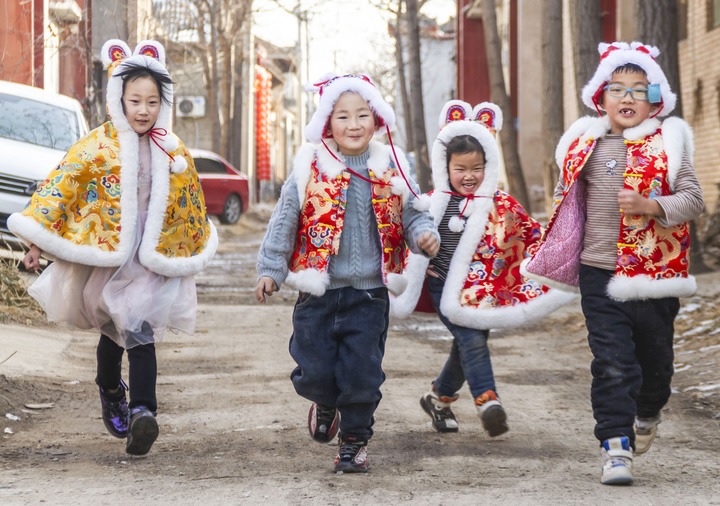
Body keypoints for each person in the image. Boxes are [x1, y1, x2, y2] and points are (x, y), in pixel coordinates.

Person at [8, 39, 218, 456]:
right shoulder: (97, 147)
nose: (143, 110)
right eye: (135, 100)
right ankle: (109, 387)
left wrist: (190, 251)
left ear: (164, 102)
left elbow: (190, 205)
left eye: (153, 101)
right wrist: (34, 240)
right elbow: (61, 188)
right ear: (118, 99)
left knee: (140, 332)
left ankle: (143, 412)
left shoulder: (173, 151)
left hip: (148, 262)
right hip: (107, 259)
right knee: (112, 334)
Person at [521, 42, 704, 485]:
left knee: (655, 367)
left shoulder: (669, 143)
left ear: (655, 100)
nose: (627, 97)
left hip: (653, 276)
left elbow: (694, 199)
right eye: (616, 88)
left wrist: (651, 203)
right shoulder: (585, 144)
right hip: (598, 271)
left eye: (639, 90)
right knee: (613, 361)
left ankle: (647, 412)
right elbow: (569, 203)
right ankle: (615, 445)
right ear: (599, 97)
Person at [255, 73, 440, 473]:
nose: (353, 125)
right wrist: (271, 269)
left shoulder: (390, 165)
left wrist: (424, 234)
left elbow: (412, 212)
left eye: (362, 115)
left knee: (362, 375)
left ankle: (354, 443)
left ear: (377, 120)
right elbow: (285, 218)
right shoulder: (311, 165)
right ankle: (324, 401)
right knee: (315, 370)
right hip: (317, 292)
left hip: (369, 294)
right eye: (342, 116)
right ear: (327, 122)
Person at [390, 100, 574, 438]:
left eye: (477, 167)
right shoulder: (432, 203)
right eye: (460, 168)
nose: (469, 176)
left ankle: (439, 398)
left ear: (488, 166)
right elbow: (406, 235)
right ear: (446, 167)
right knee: (471, 338)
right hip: (441, 285)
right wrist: (418, 257)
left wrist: (563, 253)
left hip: (481, 290)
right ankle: (487, 400)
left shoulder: (500, 205)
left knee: (467, 342)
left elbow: (531, 236)